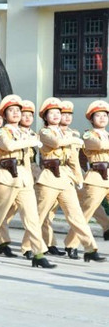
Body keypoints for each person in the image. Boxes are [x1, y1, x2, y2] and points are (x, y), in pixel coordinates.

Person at [0, 95, 55, 268]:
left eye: (18, 111)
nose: (16, 113)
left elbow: (27, 159)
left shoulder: (23, 133)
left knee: (32, 217)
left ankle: (38, 253)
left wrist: (30, 178)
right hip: (6, 178)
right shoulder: (1, 132)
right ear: (4, 115)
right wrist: (31, 140)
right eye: (11, 111)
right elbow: (9, 146)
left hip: (24, 178)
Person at [35, 98, 104, 262]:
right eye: (52, 113)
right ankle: (30, 247)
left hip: (66, 178)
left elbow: (73, 159)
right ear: (45, 117)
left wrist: (78, 178)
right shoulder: (44, 132)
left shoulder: (67, 133)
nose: (57, 116)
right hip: (50, 177)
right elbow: (56, 143)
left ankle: (90, 248)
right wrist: (74, 139)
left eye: (59, 113)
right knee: (39, 215)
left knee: (76, 215)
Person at [65, 100, 109, 255]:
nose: (103, 118)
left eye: (105, 115)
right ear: (91, 119)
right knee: (86, 213)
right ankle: (72, 244)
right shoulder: (89, 135)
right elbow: (99, 145)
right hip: (96, 178)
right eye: (98, 115)